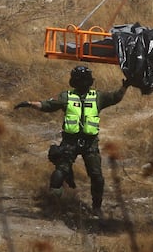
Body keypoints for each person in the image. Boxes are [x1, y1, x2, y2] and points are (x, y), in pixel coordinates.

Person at [14, 65, 130, 217]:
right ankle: (55, 207)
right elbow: (49, 105)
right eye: (79, 79)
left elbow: (115, 97)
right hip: (70, 142)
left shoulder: (98, 97)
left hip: (90, 143)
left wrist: (124, 87)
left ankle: (96, 207)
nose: (82, 82)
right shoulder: (66, 97)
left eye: (85, 79)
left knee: (97, 177)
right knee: (58, 175)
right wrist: (30, 104)